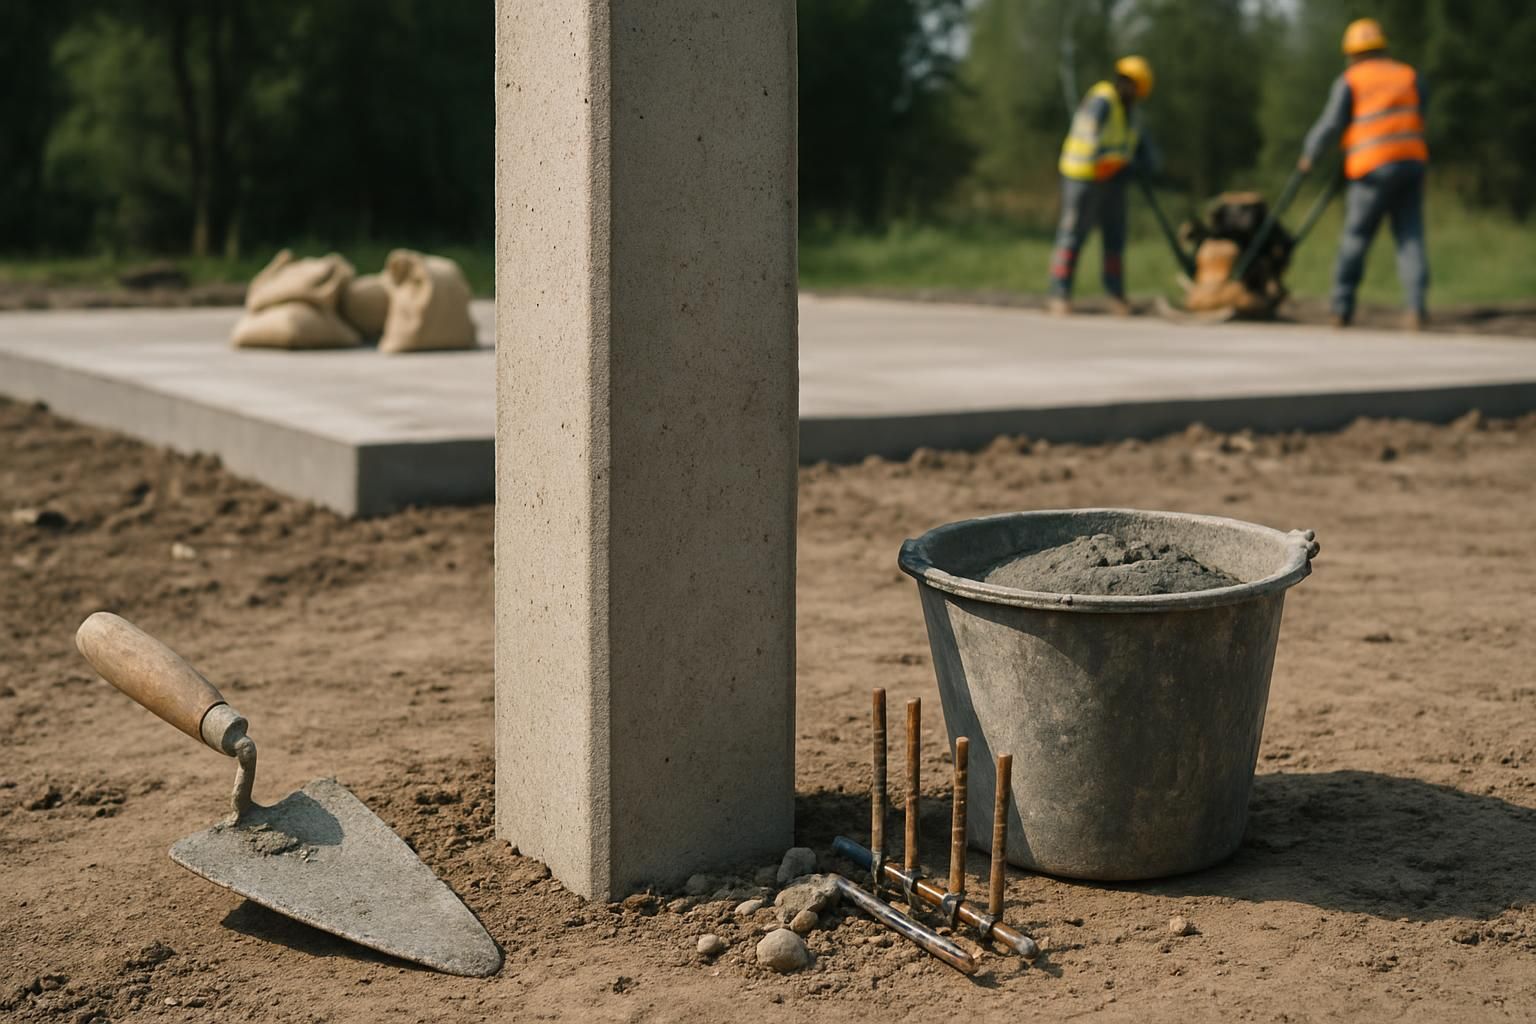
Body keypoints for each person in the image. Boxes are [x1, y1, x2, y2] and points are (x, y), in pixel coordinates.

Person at [1298, 18, 1429, 330]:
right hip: (1411, 163)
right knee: (1410, 238)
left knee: (1356, 237)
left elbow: (1331, 123)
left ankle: (1341, 308)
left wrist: (1309, 155)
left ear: (1352, 53)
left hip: (1371, 168)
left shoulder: (1351, 79)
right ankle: (1415, 309)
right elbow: (1419, 113)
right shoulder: (1408, 75)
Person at [1047, 56, 1154, 317]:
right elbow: (1089, 136)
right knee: (1072, 235)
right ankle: (1059, 294)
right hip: (1083, 176)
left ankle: (1115, 295)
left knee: (1114, 240)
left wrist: (1141, 161)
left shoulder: (1128, 112)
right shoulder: (1102, 100)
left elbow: (1133, 144)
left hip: (1112, 180)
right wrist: (1110, 158)